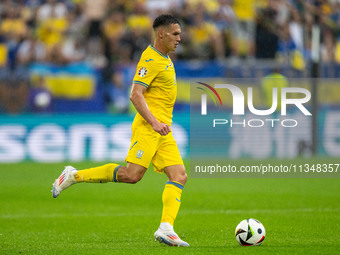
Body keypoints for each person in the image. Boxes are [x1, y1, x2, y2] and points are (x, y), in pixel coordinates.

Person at [51, 14, 189, 247]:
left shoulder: (164, 58)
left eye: (180, 33)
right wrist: (154, 122)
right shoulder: (150, 59)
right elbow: (135, 94)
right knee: (131, 175)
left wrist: (160, 125)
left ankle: (166, 228)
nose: (180, 38)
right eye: (175, 34)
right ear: (161, 34)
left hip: (163, 129)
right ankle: (74, 175)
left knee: (179, 175)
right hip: (150, 127)